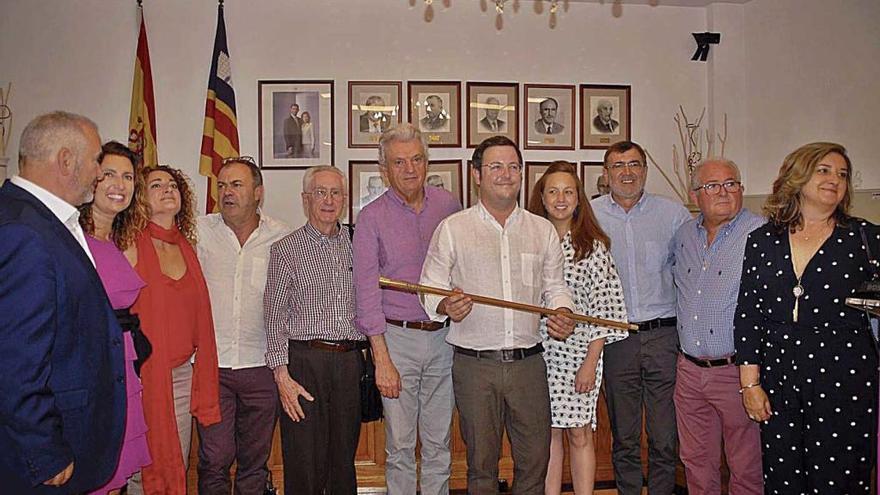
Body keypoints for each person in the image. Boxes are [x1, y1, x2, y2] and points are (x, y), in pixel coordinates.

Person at [420, 135, 576, 493]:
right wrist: (446, 305)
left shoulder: (542, 230)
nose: (506, 174)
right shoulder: (453, 229)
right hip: (475, 367)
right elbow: (430, 288)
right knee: (481, 466)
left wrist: (563, 310)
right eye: (495, 166)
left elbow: (555, 285)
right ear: (476, 175)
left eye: (513, 167)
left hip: (528, 365)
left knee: (536, 460)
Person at [735, 142, 878, 493]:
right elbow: (749, 315)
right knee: (783, 479)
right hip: (779, 378)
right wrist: (750, 385)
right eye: (824, 171)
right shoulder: (762, 240)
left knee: (840, 479)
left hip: (846, 377)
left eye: (842, 174)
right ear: (797, 176)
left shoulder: (864, 238)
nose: (835, 180)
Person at [0, 111, 127, 493]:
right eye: (96, 161)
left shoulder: (40, 219)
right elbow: (14, 359)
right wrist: (43, 449)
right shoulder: (24, 232)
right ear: (66, 160)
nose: (98, 173)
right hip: (44, 458)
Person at [353, 123, 461, 495]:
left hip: (444, 338)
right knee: (399, 447)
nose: (410, 169)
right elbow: (365, 293)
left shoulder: (449, 206)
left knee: (438, 444)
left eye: (417, 159)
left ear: (427, 161)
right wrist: (381, 359)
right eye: (399, 162)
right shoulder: (370, 218)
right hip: (396, 341)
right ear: (384, 170)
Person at [590, 141, 691, 495]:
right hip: (617, 339)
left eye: (634, 164)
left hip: (664, 336)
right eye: (618, 166)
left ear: (645, 170)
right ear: (606, 174)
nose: (627, 172)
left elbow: (690, 273)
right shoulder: (590, 215)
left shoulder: (674, 215)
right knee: (624, 435)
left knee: (665, 436)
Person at [526, 161, 629, 495]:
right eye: (553, 191)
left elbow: (606, 310)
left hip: (578, 355)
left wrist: (590, 362)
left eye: (568, 191)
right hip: (535, 353)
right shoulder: (529, 243)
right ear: (541, 197)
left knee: (579, 432)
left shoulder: (593, 247)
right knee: (548, 434)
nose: (560, 198)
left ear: (578, 198)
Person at [265, 165, 367, 495]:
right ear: (305, 199)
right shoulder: (286, 250)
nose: (328, 200)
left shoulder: (359, 244)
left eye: (335, 192)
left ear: (345, 199)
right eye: (320, 192)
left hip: (350, 364)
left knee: (343, 459)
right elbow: (273, 318)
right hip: (305, 364)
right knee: (304, 461)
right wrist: (282, 378)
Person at [196, 157, 291, 494]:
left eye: (236, 185)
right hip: (211, 366)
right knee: (215, 457)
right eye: (222, 185)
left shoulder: (282, 237)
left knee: (254, 460)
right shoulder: (198, 232)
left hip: (261, 367)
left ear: (258, 192)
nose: (227, 192)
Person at [671, 158, 764, 495]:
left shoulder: (761, 234)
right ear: (696, 195)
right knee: (696, 462)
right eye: (713, 186)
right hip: (689, 371)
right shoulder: (683, 236)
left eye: (732, 183)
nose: (724, 192)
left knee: (746, 466)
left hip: (737, 371)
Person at [130, 165, 221, 494]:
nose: (167, 189)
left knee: (176, 462)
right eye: (156, 185)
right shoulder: (129, 244)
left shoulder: (187, 247)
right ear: (140, 197)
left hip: (183, 374)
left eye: (172, 184)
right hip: (142, 377)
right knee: (142, 469)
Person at [79, 141, 152, 495]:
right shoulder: (71, 239)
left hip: (123, 366)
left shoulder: (121, 239)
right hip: (90, 371)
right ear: (90, 177)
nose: (119, 184)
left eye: (127, 176)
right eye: (108, 173)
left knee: (115, 478)